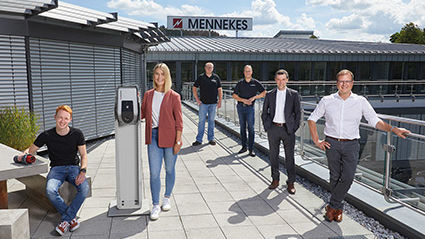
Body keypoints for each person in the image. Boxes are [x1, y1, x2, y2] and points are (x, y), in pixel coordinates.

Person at [307, 69, 411, 222]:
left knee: (348, 177)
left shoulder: (360, 101)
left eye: (347, 81)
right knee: (335, 177)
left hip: (351, 145)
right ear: (337, 83)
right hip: (332, 144)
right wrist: (317, 140)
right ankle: (338, 210)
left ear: (352, 83)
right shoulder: (327, 100)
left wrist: (393, 129)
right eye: (341, 81)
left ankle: (332, 206)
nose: (344, 84)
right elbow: (311, 119)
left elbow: (375, 121)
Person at [22, 105, 89, 236]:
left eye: (66, 118)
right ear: (55, 118)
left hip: (74, 168)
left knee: (84, 188)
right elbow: (31, 150)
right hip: (56, 169)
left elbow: (84, 155)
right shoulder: (47, 135)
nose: (62, 121)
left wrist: (83, 171)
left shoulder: (77, 134)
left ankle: (65, 220)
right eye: (60, 118)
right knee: (50, 190)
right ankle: (71, 219)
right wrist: (23, 154)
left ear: (70, 120)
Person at [141, 63, 183, 220]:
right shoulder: (148, 95)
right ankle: (155, 205)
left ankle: (166, 197)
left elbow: (179, 122)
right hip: (153, 136)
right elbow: (142, 114)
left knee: (170, 169)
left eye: (162, 74)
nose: (159, 77)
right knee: (154, 173)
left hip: (171, 137)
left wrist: (178, 141)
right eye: (157, 74)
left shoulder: (174, 96)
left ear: (167, 76)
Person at [261, 69, 301, 192]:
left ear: (287, 80)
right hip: (273, 129)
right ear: (275, 80)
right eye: (278, 80)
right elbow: (264, 113)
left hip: (288, 130)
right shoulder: (270, 94)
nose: (281, 82)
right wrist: (268, 127)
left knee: (290, 157)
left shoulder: (293, 94)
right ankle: (275, 179)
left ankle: (291, 182)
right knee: (273, 156)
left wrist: (293, 128)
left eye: (283, 79)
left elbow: (298, 113)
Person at [232, 65, 266, 157]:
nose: (247, 72)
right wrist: (243, 100)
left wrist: (255, 97)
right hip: (240, 107)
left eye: (249, 71)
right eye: (246, 71)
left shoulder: (255, 83)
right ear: (244, 72)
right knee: (242, 127)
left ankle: (251, 149)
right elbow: (234, 95)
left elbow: (263, 93)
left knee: (251, 128)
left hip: (250, 108)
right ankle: (244, 147)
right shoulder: (240, 83)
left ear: (251, 72)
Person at [192, 62, 222, 146]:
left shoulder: (216, 77)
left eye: (211, 67)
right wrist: (197, 100)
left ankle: (211, 139)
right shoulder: (201, 77)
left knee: (211, 121)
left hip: (213, 104)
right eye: (208, 67)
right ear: (205, 68)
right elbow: (194, 88)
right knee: (201, 122)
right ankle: (199, 140)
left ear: (213, 68)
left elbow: (220, 89)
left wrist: (220, 101)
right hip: (203, 104)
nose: (209, 68)